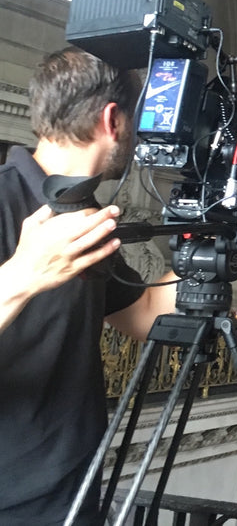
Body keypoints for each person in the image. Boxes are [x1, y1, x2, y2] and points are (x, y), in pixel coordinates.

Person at [0, 47, 177, 525]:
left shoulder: (86, 215)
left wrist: (202, 242)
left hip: (75, 498)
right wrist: (22, 275)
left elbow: (144, 316)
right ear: (112, 119)